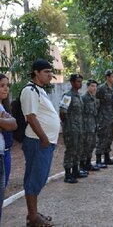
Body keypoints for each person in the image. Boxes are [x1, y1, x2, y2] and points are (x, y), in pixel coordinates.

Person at [21, 59, 60, 227]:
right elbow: (30, 117)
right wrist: (44, 138)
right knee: (35, 178)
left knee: (39, 178)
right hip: (38, 142)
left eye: (51, 72)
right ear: (36, 72)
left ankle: (33, 213)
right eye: (46, 71)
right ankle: (33, 217)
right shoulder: (30, 91)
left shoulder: (40, 90)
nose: (50, 75)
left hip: (44, 142)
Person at [60, 74, 87, 183]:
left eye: (80, 81)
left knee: (78, 149)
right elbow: (62, 112)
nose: (79, 83)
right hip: (71, 129)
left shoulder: (79, 96)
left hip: (79, 128)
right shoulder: (67, 96)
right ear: (71, 83)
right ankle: (68, 174)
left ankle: (76, 170)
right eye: (77, 81)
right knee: (71, 150)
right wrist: (68, 125)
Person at [0, 73, 17, 224]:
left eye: (7, 85)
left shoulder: (3, 105)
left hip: (6, 152)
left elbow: (13, 124)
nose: (6, 89)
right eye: (2, 85)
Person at [95, 69, 113, 167]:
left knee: (109, 137)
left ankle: (107, 157)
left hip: (111, 117)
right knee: (102, 138)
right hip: (103, 118)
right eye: (112, 76)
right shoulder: (101, 88)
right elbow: (96, 104)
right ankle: (98, 159)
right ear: (107, 77)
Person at [80, 79, 101, 172]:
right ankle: (82, 165)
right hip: (85, 127)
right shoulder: (84, 98)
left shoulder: (94, 99)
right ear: (87, 87)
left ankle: (88, 163)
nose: (94, 88)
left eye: (95, 86)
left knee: (91, 145)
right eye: (92, 86)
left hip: (93, 126)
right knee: (85, 146)